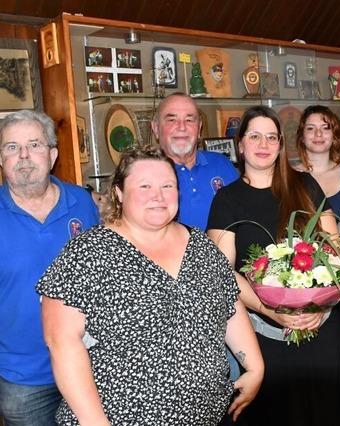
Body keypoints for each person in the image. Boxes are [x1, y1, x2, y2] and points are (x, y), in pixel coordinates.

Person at [36, 146, 263, 425]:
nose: (158, 196)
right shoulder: (87, 253)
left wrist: (255, 366)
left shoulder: (201, 246)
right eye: (145, 186)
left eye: (167, 186)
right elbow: (61, 342)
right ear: (119, 193)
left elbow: (228, 304)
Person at [207, 106, 340, 426]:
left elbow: (335, 250)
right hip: (266, 335)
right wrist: (272, 311)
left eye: (272, 137)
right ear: (240, 144)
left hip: (321, 329)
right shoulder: (227, 200)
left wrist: (319, 305)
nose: (264, 144)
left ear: (281, 144)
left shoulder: (305, 185)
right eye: (255, 136)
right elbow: (222, 273)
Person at [0, 110, 99, 425]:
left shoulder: (83, 203)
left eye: (34, 145)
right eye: (12, 147)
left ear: (53, 155)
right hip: (24, 380)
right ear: (1, 159)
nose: (24, 155)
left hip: (91, 366)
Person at [294, 105, 340, 424]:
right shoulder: (292, 176)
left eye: (325, 127)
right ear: (301, 135)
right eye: (311, 128)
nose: (318, 134)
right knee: (320, 364)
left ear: (335, 134)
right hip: (311, 283)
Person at [151, 92, 238, 230]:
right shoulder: (144, 174)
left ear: (199, 128)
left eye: (189, 120)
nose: (181, 127)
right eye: (172, 120)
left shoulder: (222, 164)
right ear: (156, 128)